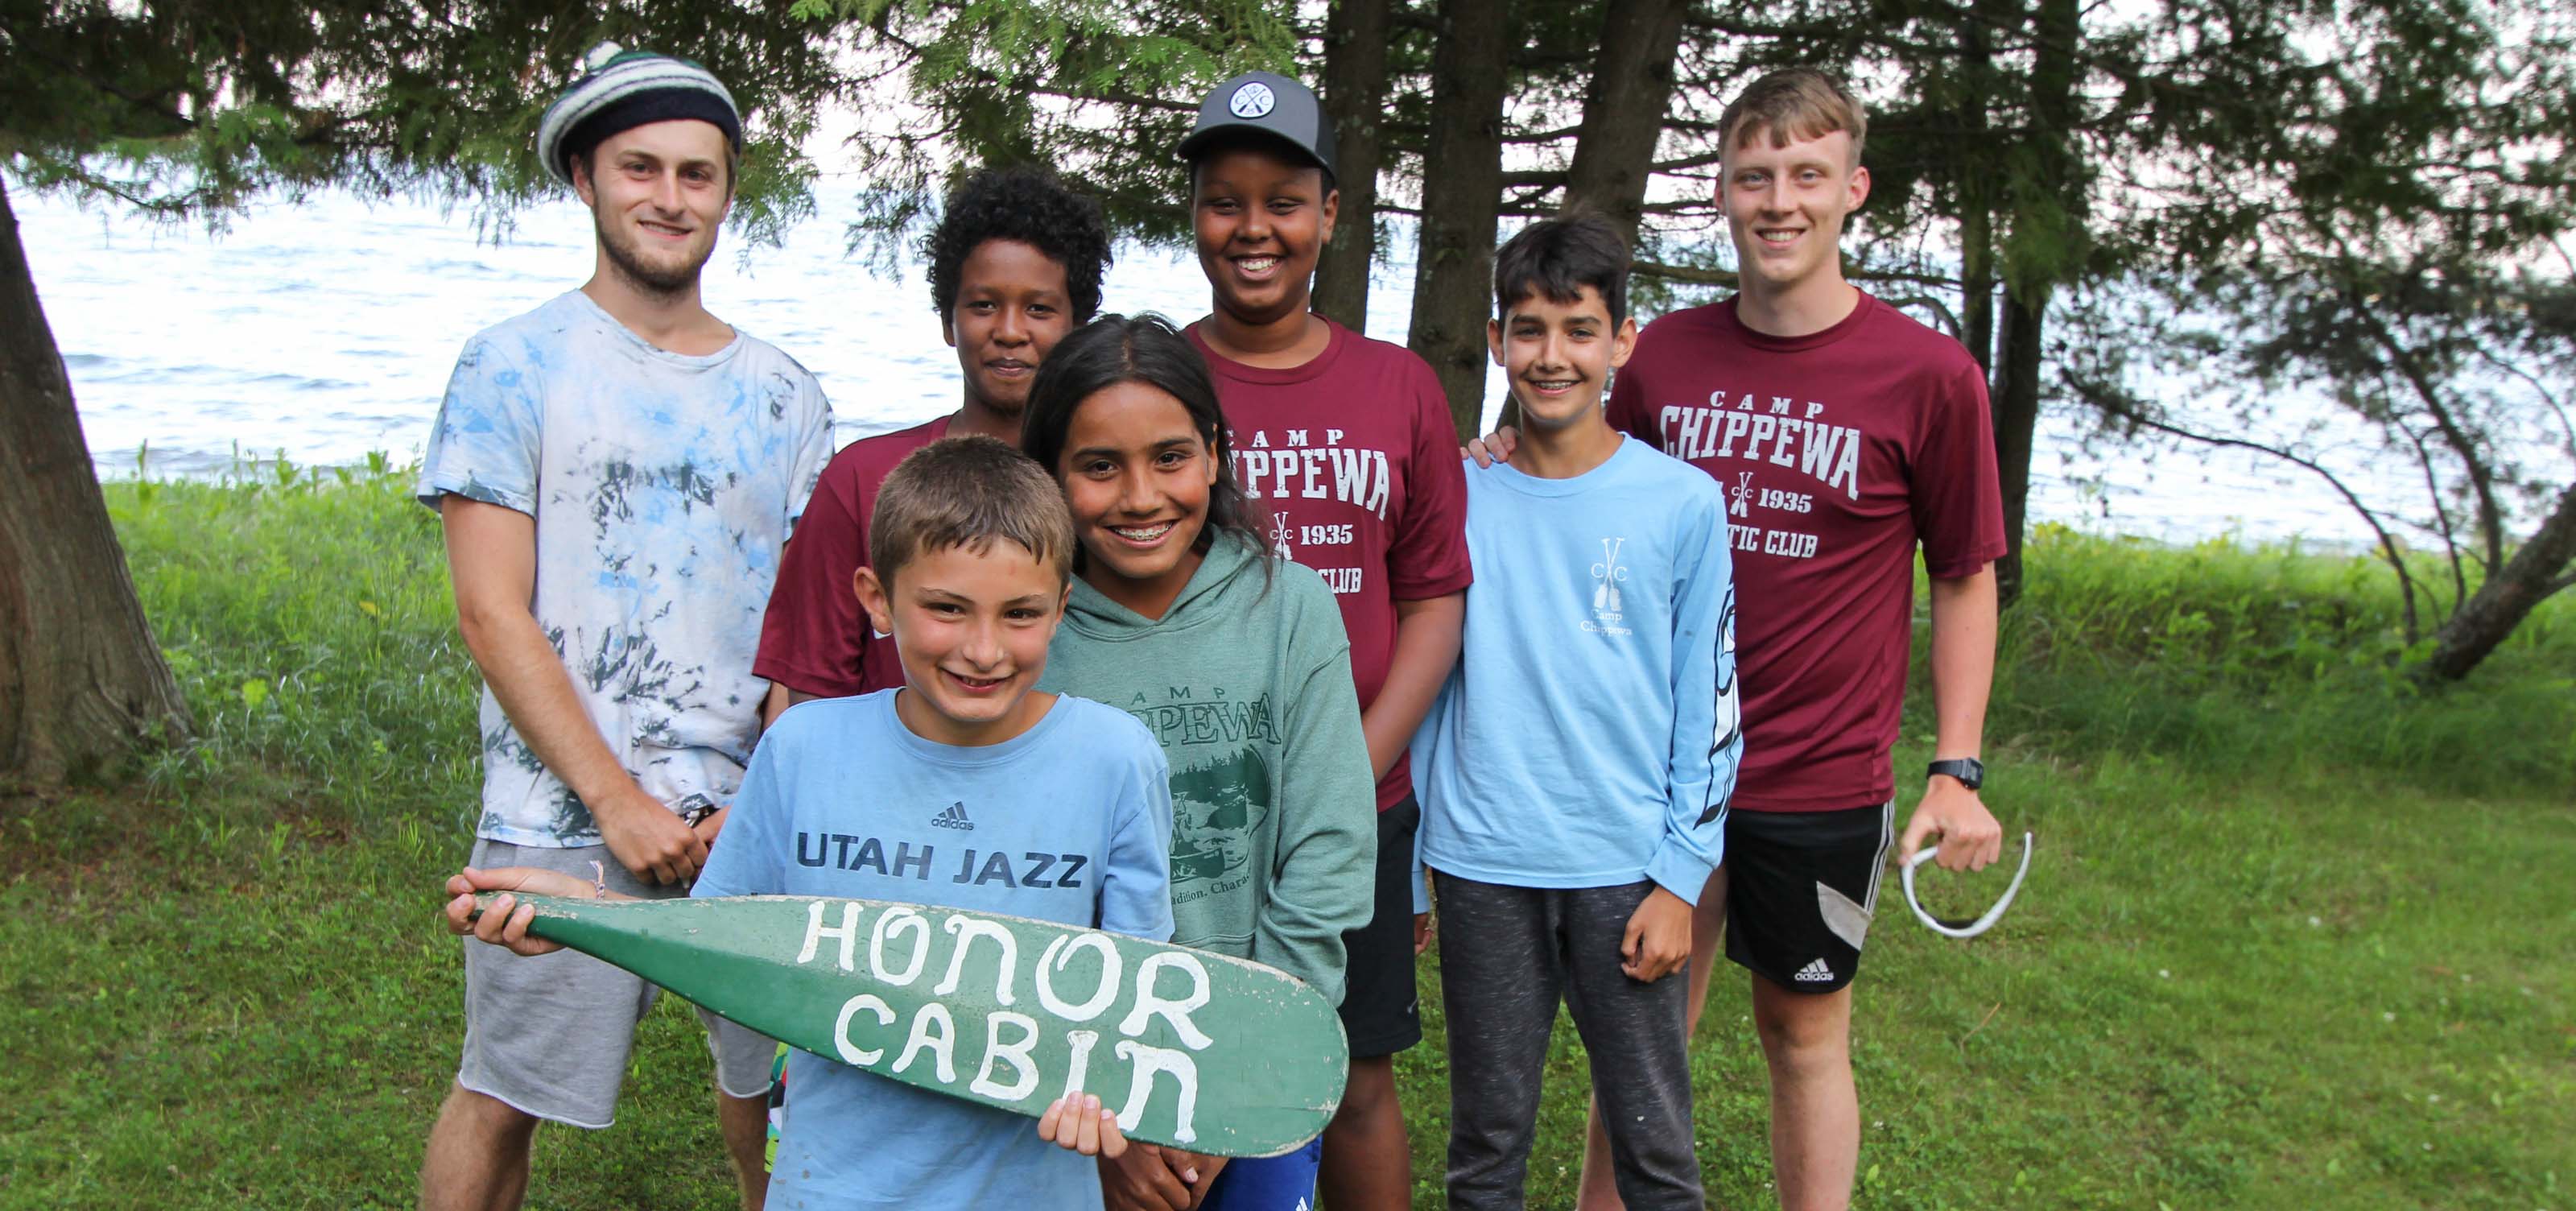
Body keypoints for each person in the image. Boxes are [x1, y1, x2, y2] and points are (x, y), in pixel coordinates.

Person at [1477, 69, 2010, 1211]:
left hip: (1815, 771)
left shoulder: (1929, 377)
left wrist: (1955, 768)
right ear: (1721, 193)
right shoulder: (1662, 355)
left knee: (1803, 1031)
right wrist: (1497, 445)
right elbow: (1570, 454)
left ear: (1853, 189)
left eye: (1807, 174)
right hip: (1651, 764)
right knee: (1644, 1032)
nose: (1780, 201)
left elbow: (1965, 575)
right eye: (1753, 176)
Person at [448, 435, 1178, 1210]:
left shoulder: (1115, 758)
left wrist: (1108, 1093)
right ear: (876, 600)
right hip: (832, 1185)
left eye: (1021, 614)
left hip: (1033, 1189)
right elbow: (717, 948)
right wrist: (572, 915)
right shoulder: (802, 748)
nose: (984, 648)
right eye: (946, 608)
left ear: (1062, 606)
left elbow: (1139, 997)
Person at [411, 43, 832, 1211]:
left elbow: (801, 631)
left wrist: (769, 794)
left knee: (782, 1105)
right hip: (557, 811)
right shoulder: (512, 366)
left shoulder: (787, 394)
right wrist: (615, 802)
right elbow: (491, 610)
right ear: (585, 180)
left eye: (699, 174)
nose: (670, 197)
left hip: (748, 822)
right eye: (640, 168)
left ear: (729, 191)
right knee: (500, 1095)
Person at [1175, 72, 1472, 1209]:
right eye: (1224, 200)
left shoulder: (1398, 387)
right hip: (1192, 791)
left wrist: (1352, 762)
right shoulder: (1164, 375)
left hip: (1364, 793)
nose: (1254, 229)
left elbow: (1435, 596)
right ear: (1195, 214)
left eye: (1284, 200)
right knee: (1173, 1056)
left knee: (1349, 1073)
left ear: (1332, 215)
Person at [1411, 214, 1739, 1211]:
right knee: (1485, 1144)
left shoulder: (1681, 501)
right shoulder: (1460, 491)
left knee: (1654, 1147)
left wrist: (1682, 876)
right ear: (1500, 335)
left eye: (1578, 328)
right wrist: (1419, 855)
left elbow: (1709, 701)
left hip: (1624, 868)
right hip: (1481, 863)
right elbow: (1432, 679)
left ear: (1621, 340)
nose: (1551, 355)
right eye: (1528, 328)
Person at [1023, 313, 1377, 1211]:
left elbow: (1328, 853)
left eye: (1170, 457)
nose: (1140, 496)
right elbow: (1015, 889)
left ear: (1215, 453)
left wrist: (1234, 1085)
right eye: (1098, 466)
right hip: (1071, 1082)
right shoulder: (1024, 633)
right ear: (1052, 473)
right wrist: (1095, 1106)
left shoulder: (1287, 605)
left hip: (1253, 1051)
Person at [756, 164, 1114, 713]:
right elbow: (813, 690)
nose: (1011, 330)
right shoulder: (861, 479)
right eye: (984, 305)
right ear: (949, 321)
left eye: (1039, 308)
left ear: (1079, 326)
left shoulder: (1106, 489)